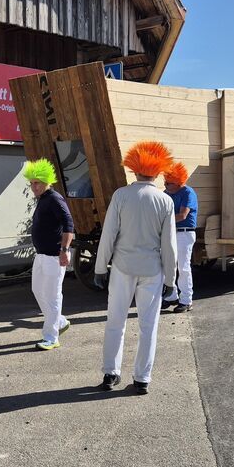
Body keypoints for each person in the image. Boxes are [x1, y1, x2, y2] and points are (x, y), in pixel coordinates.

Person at [94, 141, 178, 396]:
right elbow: (169, 245)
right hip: (152, 269)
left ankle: (110, 373)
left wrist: (100, 267)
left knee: (115, 321)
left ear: (135, 169)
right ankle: (142, 378)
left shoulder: (121, 195)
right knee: (148, 326)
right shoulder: (165, 201)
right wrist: (171, 279)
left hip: (122, 267)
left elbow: (108, 234)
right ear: (158, 171)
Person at [25, 159, 75, 351]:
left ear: (47, 181)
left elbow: (69, 224)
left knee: (53, 296)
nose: (34, 187)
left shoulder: (54, 198)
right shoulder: (43, 199)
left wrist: (64, 250)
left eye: (37, 182)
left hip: (54, 256)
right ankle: (59, 321)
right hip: (41, 255)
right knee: (37, 290)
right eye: (31, 183)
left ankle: (51, 337)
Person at [162, 162, 197, 312]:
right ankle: (172, 296)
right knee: (168, 265)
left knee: (183, 267)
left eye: (168, 183)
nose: (165, 185)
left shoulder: (188, 192)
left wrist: (162, 220)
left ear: (178, 182)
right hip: (172, 232)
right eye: (165, 182)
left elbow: (182, 215)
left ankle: (186, 300)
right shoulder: (167, 193)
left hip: (185, 232)